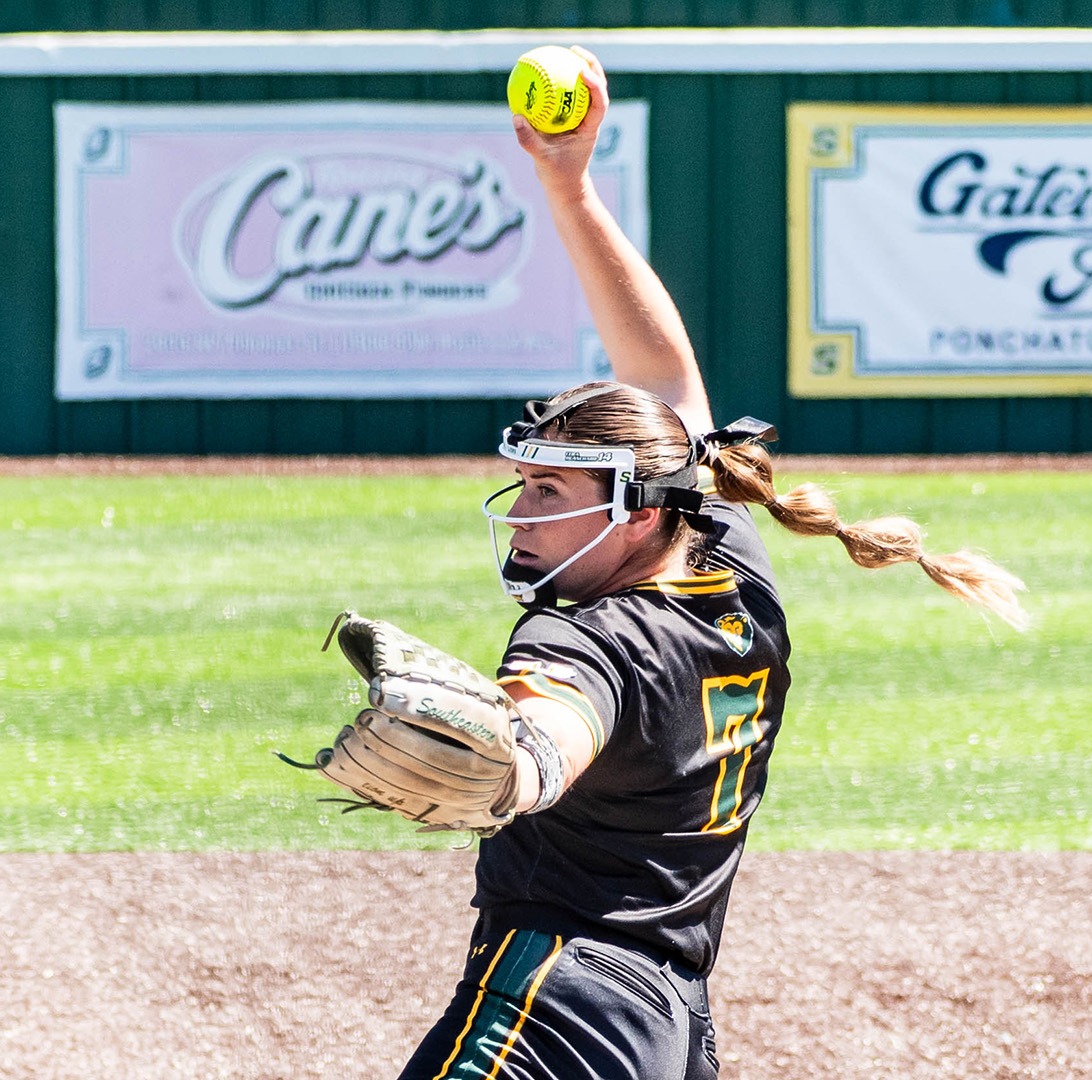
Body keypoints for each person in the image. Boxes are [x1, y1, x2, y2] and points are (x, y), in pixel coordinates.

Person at [393, 48, 1029, 1080]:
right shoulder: (730, 567)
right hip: (669, 1015)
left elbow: (561, 721)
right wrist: (569, 184)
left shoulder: (584, 634)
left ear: (636, 512)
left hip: (553, 1004)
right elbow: (666, 382)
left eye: (548, 492)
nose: (520, 517)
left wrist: (518, 762)